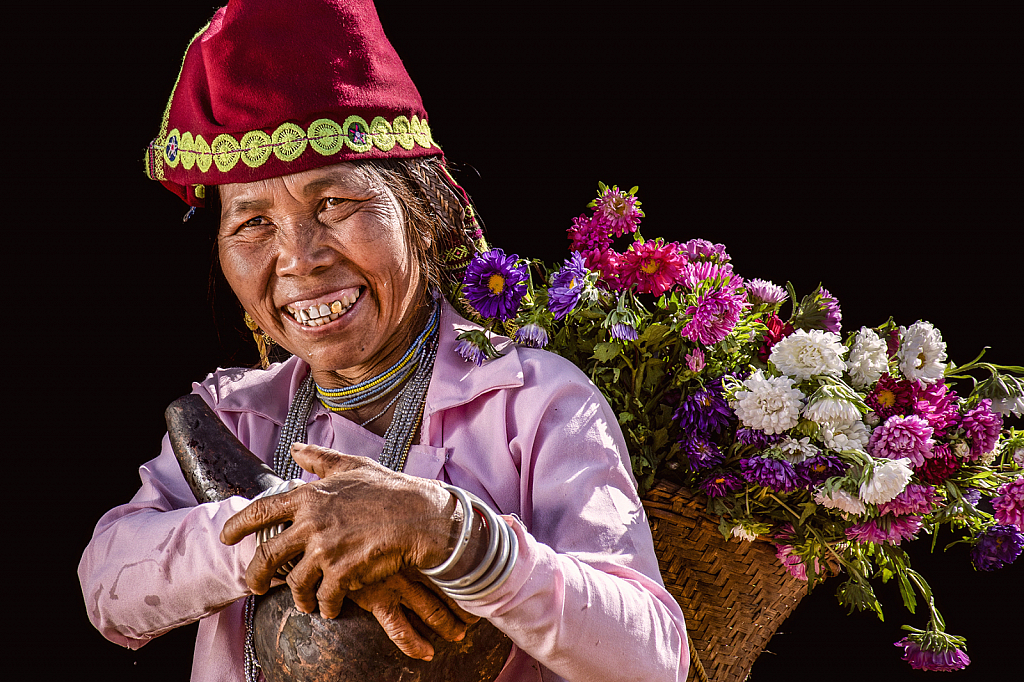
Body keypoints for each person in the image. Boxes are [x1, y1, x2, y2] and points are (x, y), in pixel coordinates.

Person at [77, 2, 689, 681]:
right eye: (251, 222)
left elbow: (651, 661)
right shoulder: (237, 417)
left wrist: (452, 534)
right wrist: (292, 529)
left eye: (334, 204)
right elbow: (109, 590)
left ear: (423, 217)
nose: (298, 258)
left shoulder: (534, 403)